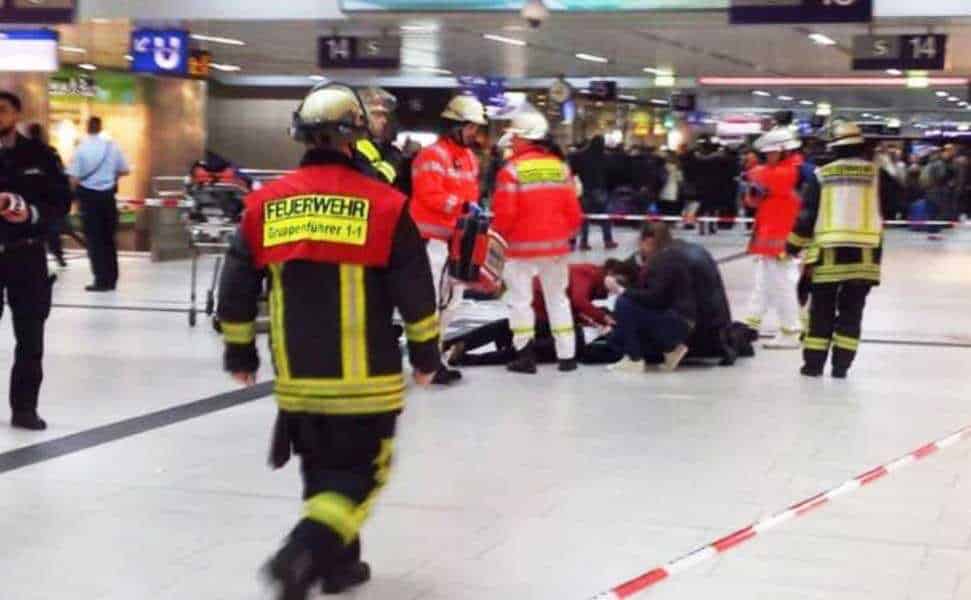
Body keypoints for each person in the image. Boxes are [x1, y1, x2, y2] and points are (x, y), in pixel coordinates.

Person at [217, 83, 449, 600]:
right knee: (361, 476)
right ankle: (299, 554)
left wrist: (239, 351)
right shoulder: (386, 206)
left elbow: (234, 288)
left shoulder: (264, 205)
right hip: (367, 381)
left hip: (298, 380)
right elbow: (415, 294)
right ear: (355, 139)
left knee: (322, 470)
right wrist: (427, 356)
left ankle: (340, 567)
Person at [491, 106, 584, 374]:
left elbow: (504, 215)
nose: (513, 141)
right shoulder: (560, 169)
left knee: (520, 300)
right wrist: (565, 236)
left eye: (515, 137)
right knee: (558, 299)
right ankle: (567, 357)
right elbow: (573, 213)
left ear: (524, 138)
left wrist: (498, 238)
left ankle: (525, 356)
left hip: (520, 249)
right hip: (555, 249)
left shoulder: (511, 171)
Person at [787, 121, 882, 379]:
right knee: (852, 311)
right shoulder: (875, 174)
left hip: (829, 254)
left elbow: (807, 215)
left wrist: (793, 244)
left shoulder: (822, 175)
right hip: (866, 254)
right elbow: (900, 199)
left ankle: (813, 365)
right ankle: (841, 367)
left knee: (821, 311)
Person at [0, 91, 71, 430]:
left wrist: (30, 213)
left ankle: (25, 408)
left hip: (26, 254)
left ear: (16, 114)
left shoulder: (41, 156)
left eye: (2, 110)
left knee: (30, 335)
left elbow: (60, 204)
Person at [410, 94, 487, 371]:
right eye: (470, 127)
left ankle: (435, 357)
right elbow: (429, 194)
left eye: (475, 128)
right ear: (454, 126)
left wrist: (472, 212)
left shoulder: (468, 157)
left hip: (458, 241)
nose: (474, 133)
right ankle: (427, 362)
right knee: (432, 303)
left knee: (453, 302)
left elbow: (471, 192)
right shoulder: (431, 155)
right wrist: (462, 205)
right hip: (431, 242)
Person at [444, 261, 623, 367]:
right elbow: (578, 301)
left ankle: (453, 348)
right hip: (543, 311)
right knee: (520, 344)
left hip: (545, 312)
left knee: (510, 333)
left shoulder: (591, 281)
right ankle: (462, 355)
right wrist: (603, 319)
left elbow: (576, 307)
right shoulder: (590, 274)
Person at [740, 127, 803, 349]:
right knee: (764, 282)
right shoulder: (776, 169)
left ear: (784, 150)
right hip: (769, 235)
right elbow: (753, 201)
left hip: (782, 238)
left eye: (770, 153)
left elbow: (763, 177)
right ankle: (750, 325)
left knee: (782, 284)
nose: (767, 157)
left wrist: (752, 174)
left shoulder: (792, 169)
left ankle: (791, 330)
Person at [606, 223, 694, 373]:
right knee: (621, 328)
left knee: (624, 304)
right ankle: (671, 350)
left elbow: (655, 298)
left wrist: (621, 290)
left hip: (678, 321)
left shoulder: (664, 262)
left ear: (648, 241)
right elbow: (630, 265)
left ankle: (634, 359)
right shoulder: (670, 255)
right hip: (682, 319)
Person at [66, 116, 129, 292]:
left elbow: (73, 178)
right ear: (101, 127)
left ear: (87, 128)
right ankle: (112, 279)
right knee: (109, 239)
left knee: (94, 241)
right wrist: (110, 177)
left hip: (88, 199)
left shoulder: (81, 148)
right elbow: (125, 169)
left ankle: (100, 280)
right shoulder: (112, 146)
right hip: (108, 198)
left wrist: (71, 196)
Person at [27, 123, 71, 268]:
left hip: (31, 196)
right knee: (52, 227)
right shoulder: (51, 151)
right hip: (49, 196)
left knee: (31, 227)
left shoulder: (22, 152)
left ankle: (31, 257)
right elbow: (60, 174)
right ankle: (58, 255)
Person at [571, 135, 617, 251]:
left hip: (584, 189)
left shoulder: (580, 155)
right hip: (600, 189)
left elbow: (573, 170)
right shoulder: (606, 157)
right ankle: (608, 240)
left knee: (585, 218)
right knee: (604, 216)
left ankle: (584, 242)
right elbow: (611, 174)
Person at [354, 87, 403, 190]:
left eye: (385, 115)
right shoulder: (353, 148)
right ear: (361, 116)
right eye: (377, 114)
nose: (384, 121)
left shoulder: (370, 145)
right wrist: (396, 154)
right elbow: (376, 186)